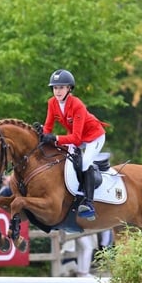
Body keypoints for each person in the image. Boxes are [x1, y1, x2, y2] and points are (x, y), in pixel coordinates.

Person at [40, 69, 106, 220]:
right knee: (67, 161)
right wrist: (41, 134)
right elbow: (48, 127)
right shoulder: (52, 103)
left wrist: (55, 138)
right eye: (55, 88)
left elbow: (76, 139)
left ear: (69, 88)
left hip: (94, 137)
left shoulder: (77, 105)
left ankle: (89, 204)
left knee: (84, 163)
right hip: (77, 137)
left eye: (61, 87)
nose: (57, 91)